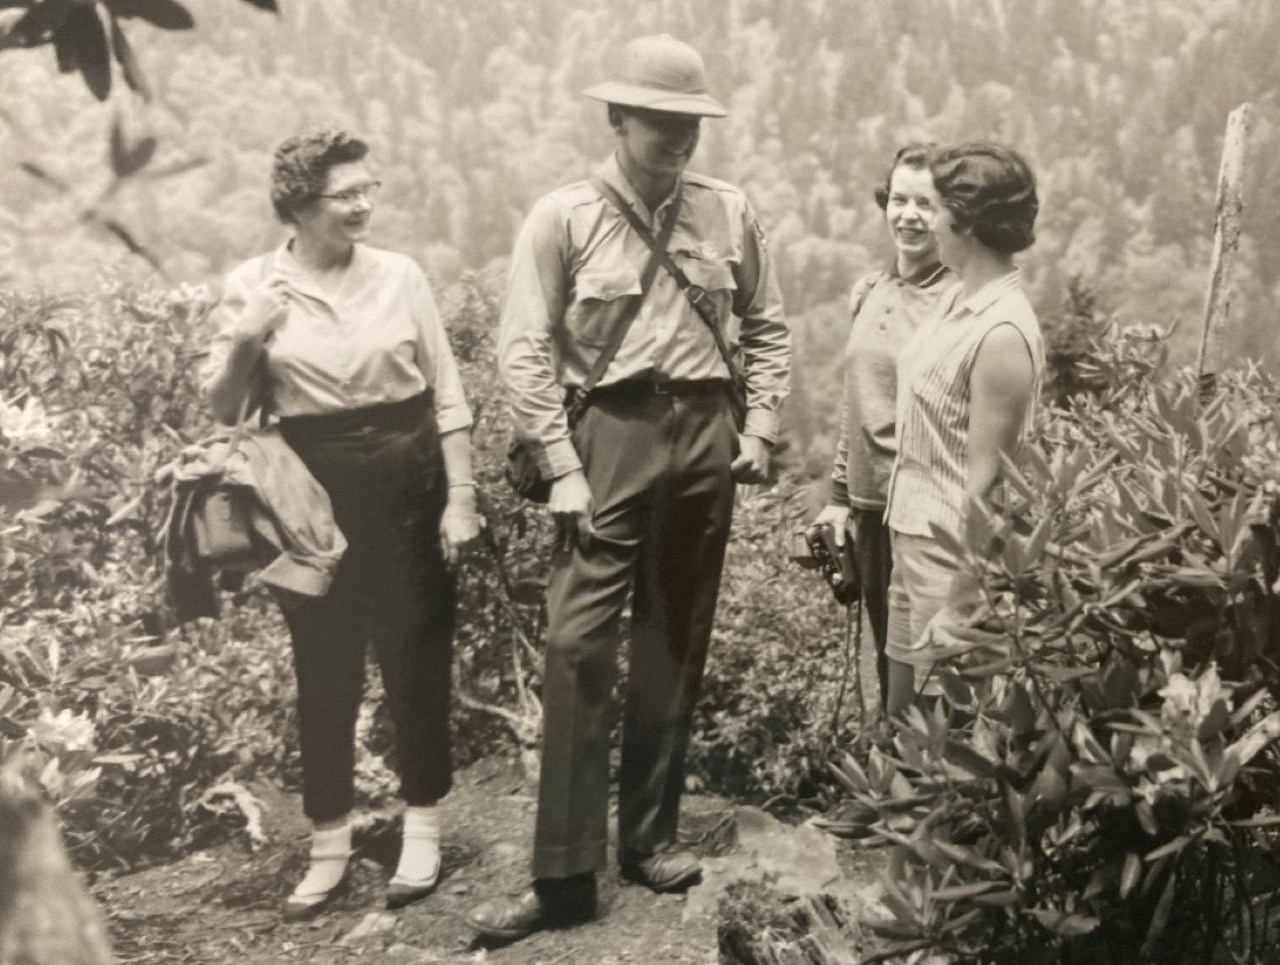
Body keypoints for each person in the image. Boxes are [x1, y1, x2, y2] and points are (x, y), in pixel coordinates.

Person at [468, 34, 790, 942]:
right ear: (617, 118)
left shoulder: (728, 212)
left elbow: (767, 326)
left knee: (674, 635)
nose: (678, 137)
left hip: (706, 432)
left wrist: (759, 427)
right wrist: (563, 467)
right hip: (606, 433)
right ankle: (566, 874)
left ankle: (649, 838)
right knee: (576, 647)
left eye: (690, 121)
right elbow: (523, 348)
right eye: (659, 120)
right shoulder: (564, 216)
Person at [202, 128, 482, 919]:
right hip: (309, 487)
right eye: (345, 194)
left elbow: (447, 391)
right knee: (322, 662)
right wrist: (249, 333)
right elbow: (225, 407)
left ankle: (422, 825)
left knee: (415, 650)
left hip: (408, 471)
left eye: (370, 190)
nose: (364, 204)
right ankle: (328, 842)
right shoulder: (253, 284)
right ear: (298, 203)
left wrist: (461, 497)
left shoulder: (400, 276)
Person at [881, 141, 1044, 717]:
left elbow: (989, 486)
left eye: (935, 206)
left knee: (942, 730)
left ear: (965, 221)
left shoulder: (1002, 332)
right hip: (911, 536)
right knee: (902, 720)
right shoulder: (955, 296)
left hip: (952, 560)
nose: (925, 219)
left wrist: (961, 604)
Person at [812, 144, 955, 706]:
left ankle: (931, 781)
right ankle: (892, 774)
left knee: (928, 666)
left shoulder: (957, 301)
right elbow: (856, 402)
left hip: (924, 510)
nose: (909, 215)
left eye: (926, 202)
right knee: (884, 656)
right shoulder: (870, 291)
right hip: (872, 507)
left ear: (952, 214)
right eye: (899, 199)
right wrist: (840, 495)